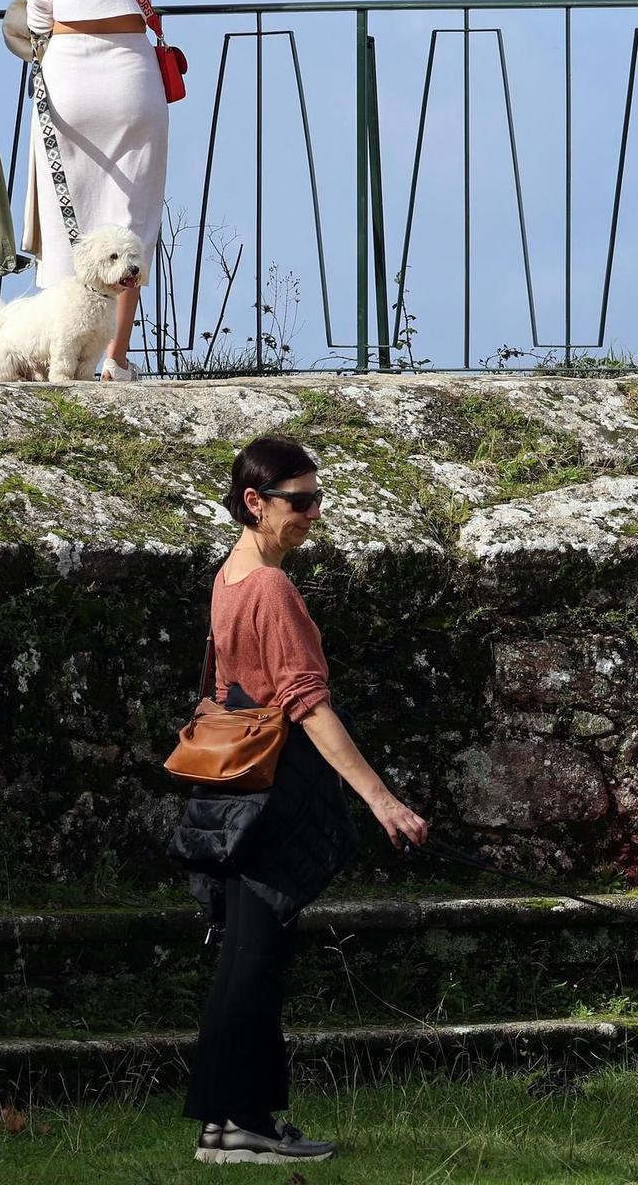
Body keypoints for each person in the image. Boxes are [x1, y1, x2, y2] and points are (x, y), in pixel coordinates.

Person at [182, 436, 430, 1166]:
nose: (313, 514)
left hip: (232, 788)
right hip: (271, 789)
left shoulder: (230, 575)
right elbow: (308, 705)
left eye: (318, 498)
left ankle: (234, 1122)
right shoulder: (269, 588)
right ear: (255, 502)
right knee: (256, 959)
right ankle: (239, 1126)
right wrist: (383, 802)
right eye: (300, 501)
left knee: (245, 958)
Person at [22, 0, 175, 382]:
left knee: (68, 216)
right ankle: (113, 356)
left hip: (69, 73)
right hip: (132, 77)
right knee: (129, 218)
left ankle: (64, 353)